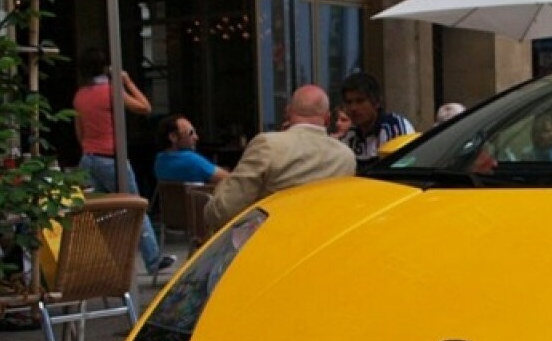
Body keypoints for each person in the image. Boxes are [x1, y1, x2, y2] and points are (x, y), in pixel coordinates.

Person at [72, 48, 173, 274]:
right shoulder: (110, 91)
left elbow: (79, 133)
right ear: (107, 67)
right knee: (135, 206)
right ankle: (153, 259)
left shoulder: (79, 96)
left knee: (93, 214)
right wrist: (126, 81)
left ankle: (94, 264)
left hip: (88, 159)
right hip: (111, 158)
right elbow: (145, 107)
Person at [204, 84, 355, 232]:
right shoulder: (346, 156)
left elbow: (224, 210)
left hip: (272, 244)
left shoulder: (268, 145)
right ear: (327, 119)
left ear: (287, 113)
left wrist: (219, 190)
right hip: (321, 244)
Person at [340, 72, 415, 168]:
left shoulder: (395, 127)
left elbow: (404, 170)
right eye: (349, 102)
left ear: (377, 102)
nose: (353, 108)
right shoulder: (350, 134)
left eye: (360, 101)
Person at [153, 114, 229, 185]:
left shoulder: (159, 161)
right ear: (173, 137)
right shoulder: (191, 159)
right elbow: (230, 181)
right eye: (191, 133)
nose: (196, 137)